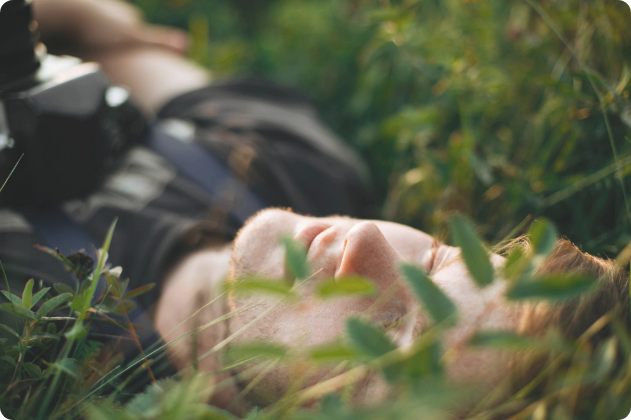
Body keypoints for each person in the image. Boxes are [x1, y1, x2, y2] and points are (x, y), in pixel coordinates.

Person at [0, 0, 628, 415]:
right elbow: (95, 38)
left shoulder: (36, 369)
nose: (366, 246)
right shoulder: (298, 164)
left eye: (389, 338)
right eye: (438, 262)